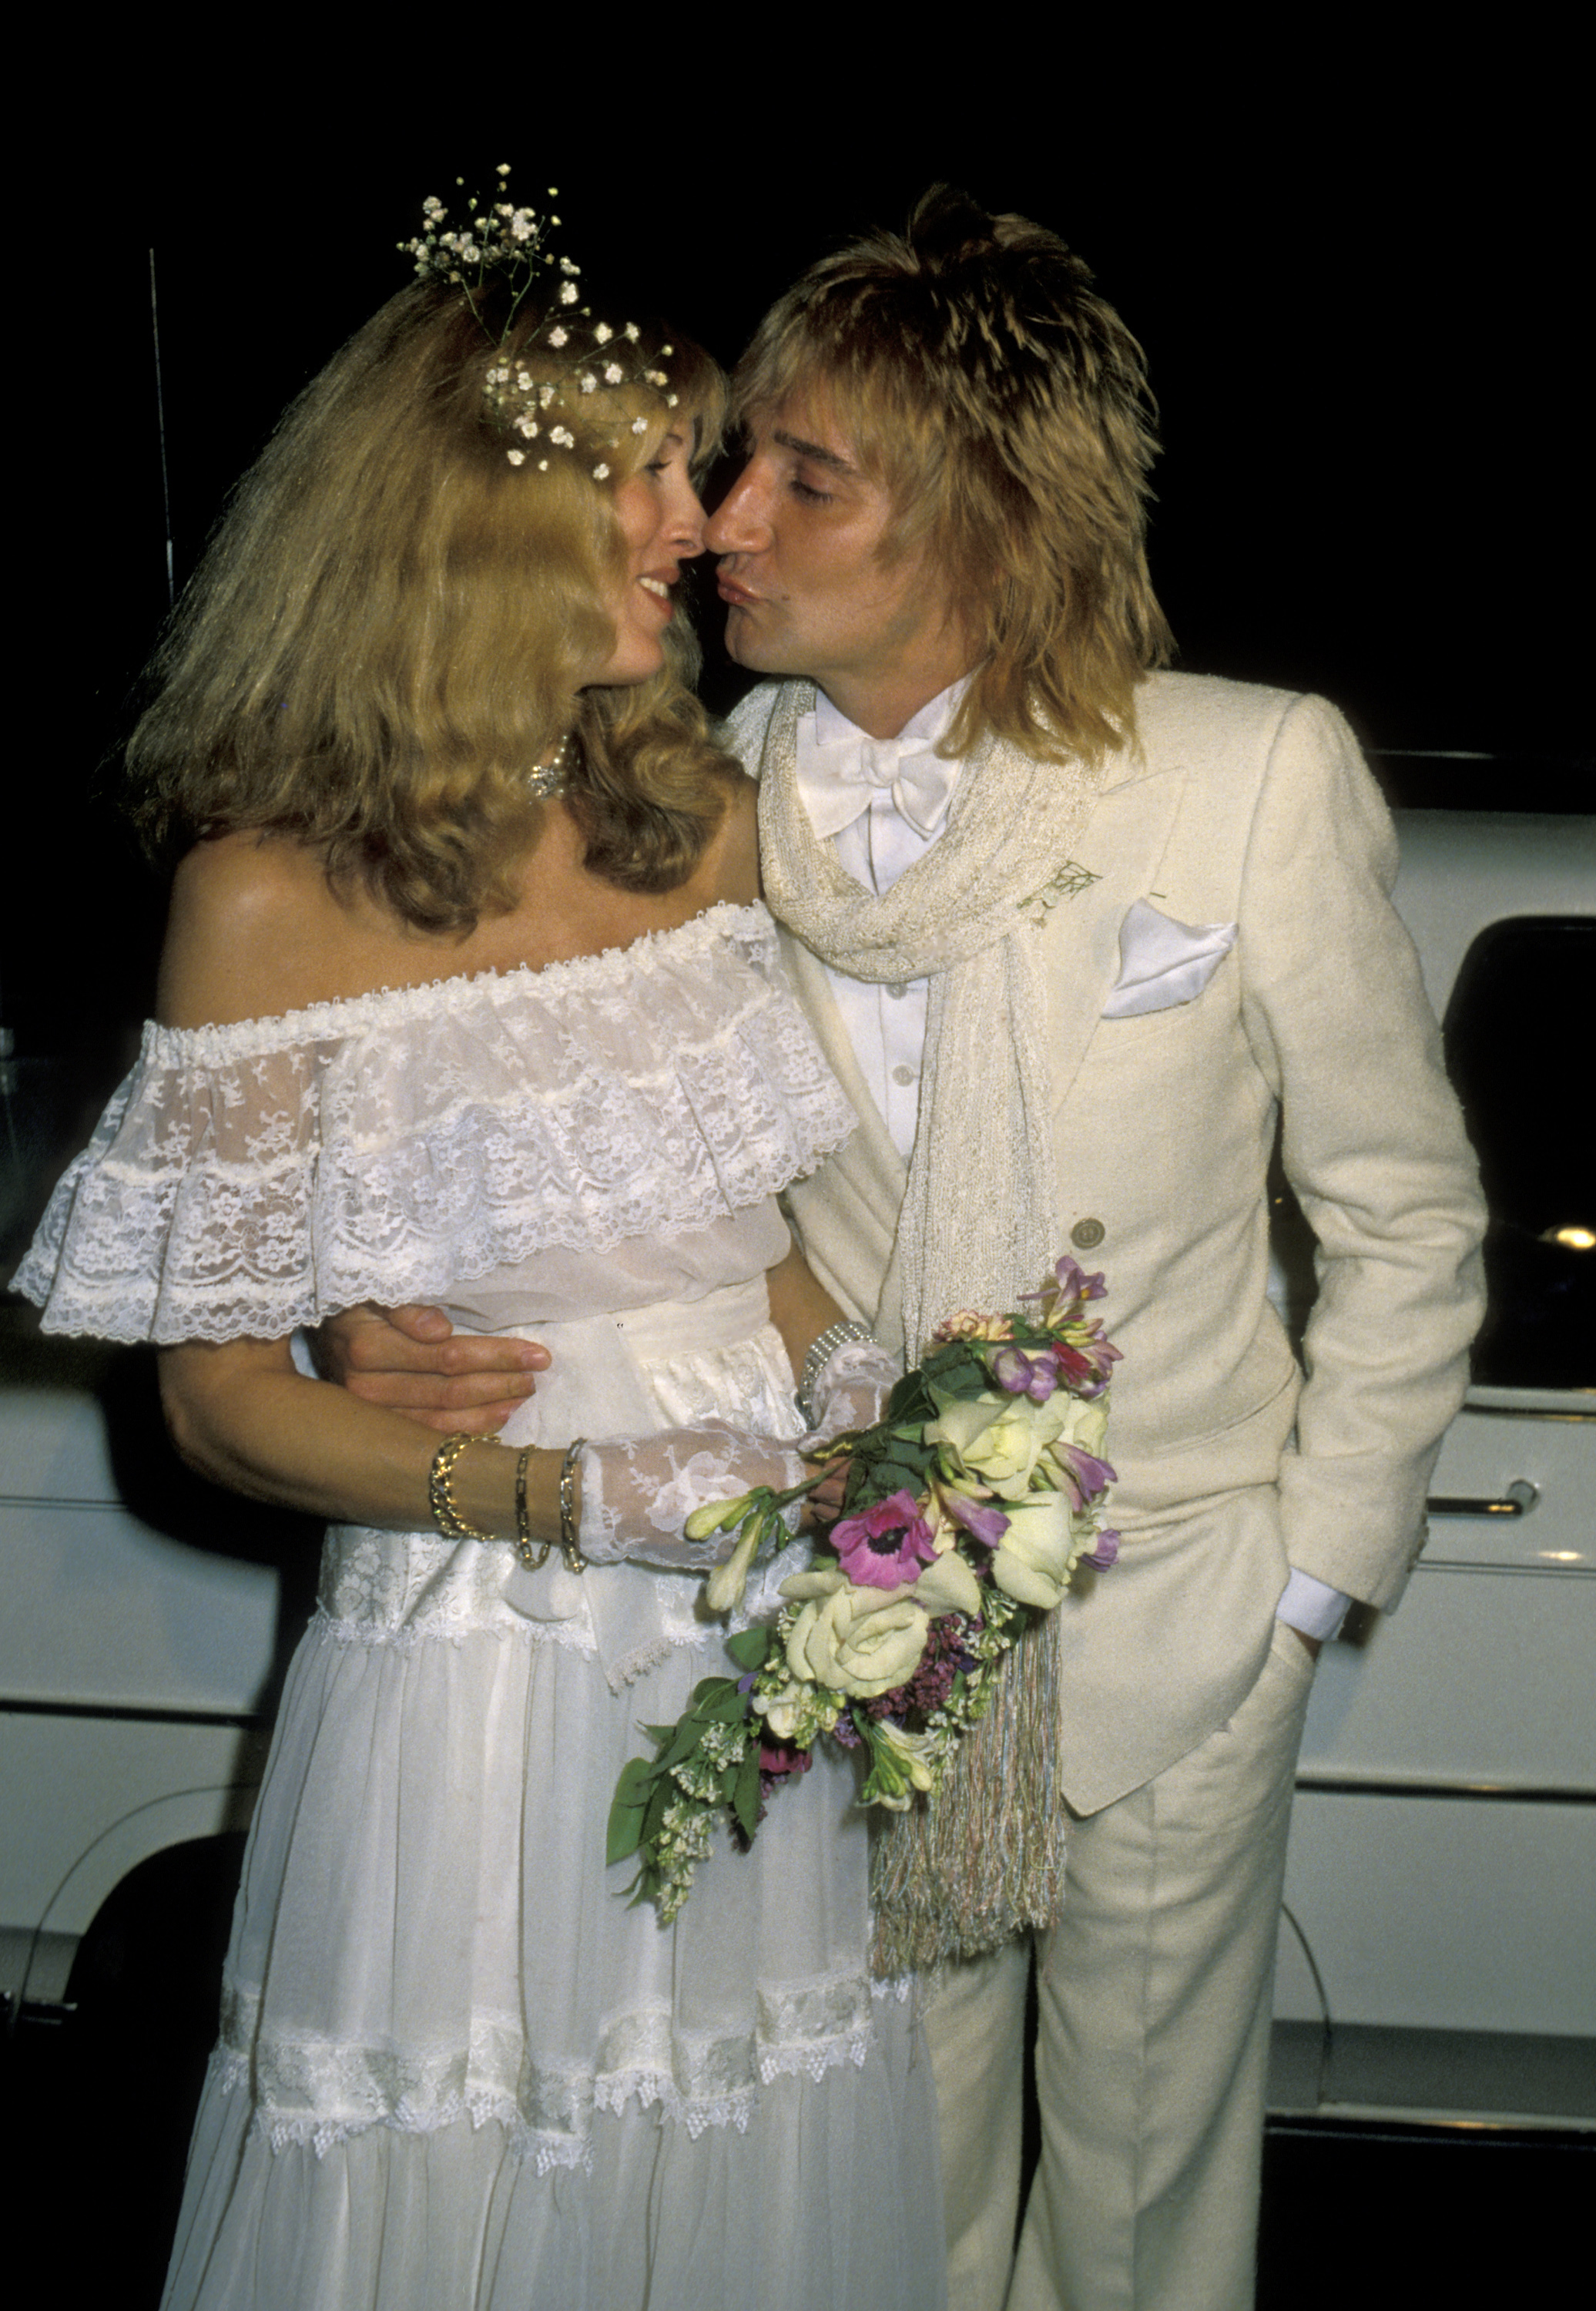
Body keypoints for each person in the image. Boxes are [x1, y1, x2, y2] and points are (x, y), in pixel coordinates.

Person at [327, 189, 1488, 2310]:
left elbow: (1406, 1219)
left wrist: (1309, 1581)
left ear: (976, 521)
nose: (725, 518)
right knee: (880, 2176)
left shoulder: (1240, 774)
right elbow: (499, 1078)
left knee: (1144, 2204)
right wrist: (366, 1309)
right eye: (739, 457)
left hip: (1182, 1596)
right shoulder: (691, 797)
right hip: (847, 1603)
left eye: (804, 475)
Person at [15, 213, 944, 2311]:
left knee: (739, 2112)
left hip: (763, 1614)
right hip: (477, 1651)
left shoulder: (696, 814)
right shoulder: (267, 900)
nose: (700, 525)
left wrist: (872, 1391)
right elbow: (219, 1401)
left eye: (697, 470)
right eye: (647, 473)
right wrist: (566, 1497)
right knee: (471, 2135)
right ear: (470, 521)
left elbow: (754, 1245)